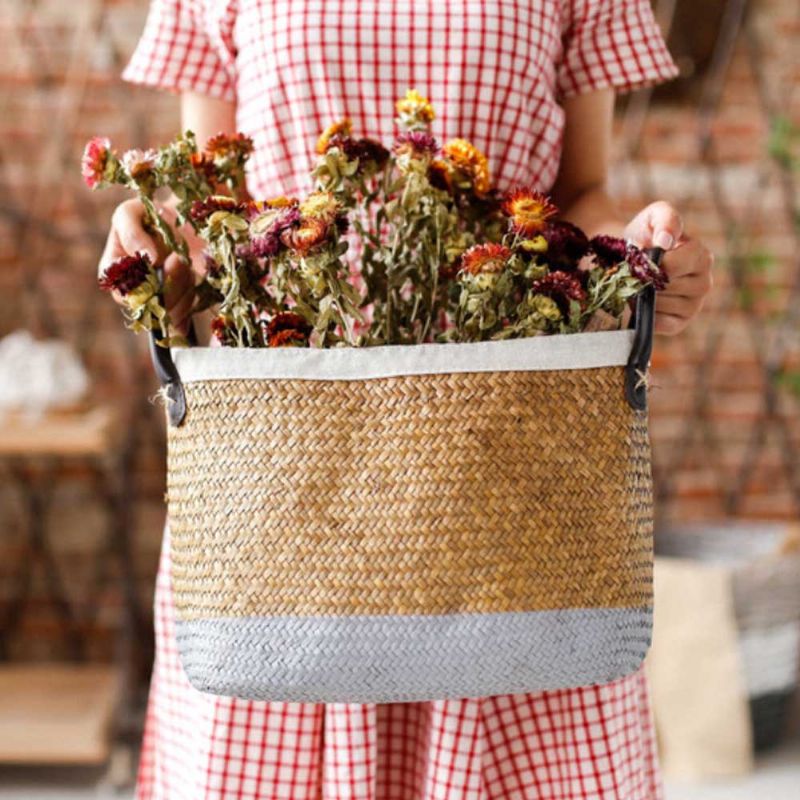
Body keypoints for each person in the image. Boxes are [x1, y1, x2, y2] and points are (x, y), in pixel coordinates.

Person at [99, 2, 713, 798]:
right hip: (284, 475)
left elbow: (581, 191)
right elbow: (215, 205)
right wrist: (147, 236)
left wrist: (634, 248)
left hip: (506, 457)